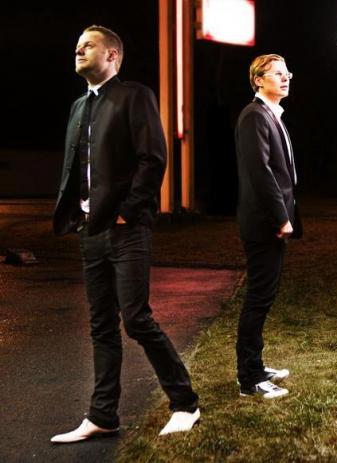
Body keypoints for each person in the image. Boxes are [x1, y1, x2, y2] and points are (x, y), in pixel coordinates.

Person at [51, 25, 199, 443]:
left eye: (89, 44)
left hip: (126, 229)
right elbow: (76, 168)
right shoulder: (78, 106)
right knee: (101, 325)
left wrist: (126, 212)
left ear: (112, 55)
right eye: (77, 44)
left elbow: (153, 158)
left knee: (136, 318)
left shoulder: (135, 96)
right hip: (90, 230)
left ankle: (185, 403)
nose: (79, 49)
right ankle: (103, 416)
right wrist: (78, 215)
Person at [235, 54, 302, 399]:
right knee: (258, 298)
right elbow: (260, 173)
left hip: (269, 223)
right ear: (258, 79)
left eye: (287, 72)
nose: (285, 77)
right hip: (264, 224)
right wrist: (281, 218)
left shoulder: (271, 115)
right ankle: (250, 379)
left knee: (264, 296)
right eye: (277, 73)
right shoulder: (254, 116)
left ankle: (255, 366)